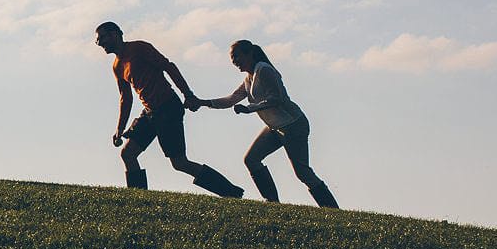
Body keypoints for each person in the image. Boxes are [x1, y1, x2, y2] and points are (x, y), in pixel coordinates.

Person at [94, 21, 244, 197]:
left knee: (179, 163)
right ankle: (138, 199)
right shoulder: (117, 66)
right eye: (98, 41)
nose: (100, 43)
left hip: (168, 108)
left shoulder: (140, 48)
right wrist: (120, 128)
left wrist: (188, 94)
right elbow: (125, 98)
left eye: (102, 38)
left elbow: (168, 67)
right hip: (149, 113)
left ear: (114, 34)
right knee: (128, 154)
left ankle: (230, 192)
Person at [199, 39, 338, 208]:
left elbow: (276, 98)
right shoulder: (248, 79)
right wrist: (203, 102)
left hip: (293, 125)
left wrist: (250, 108)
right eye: (232, 58)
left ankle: (331, 209)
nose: (234, 61)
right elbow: (231, 99)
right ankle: (272, 203)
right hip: (275, 127)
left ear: (249, 53)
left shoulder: (264, 70)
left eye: (236, 56)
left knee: (302, 172)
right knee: (251, 159)